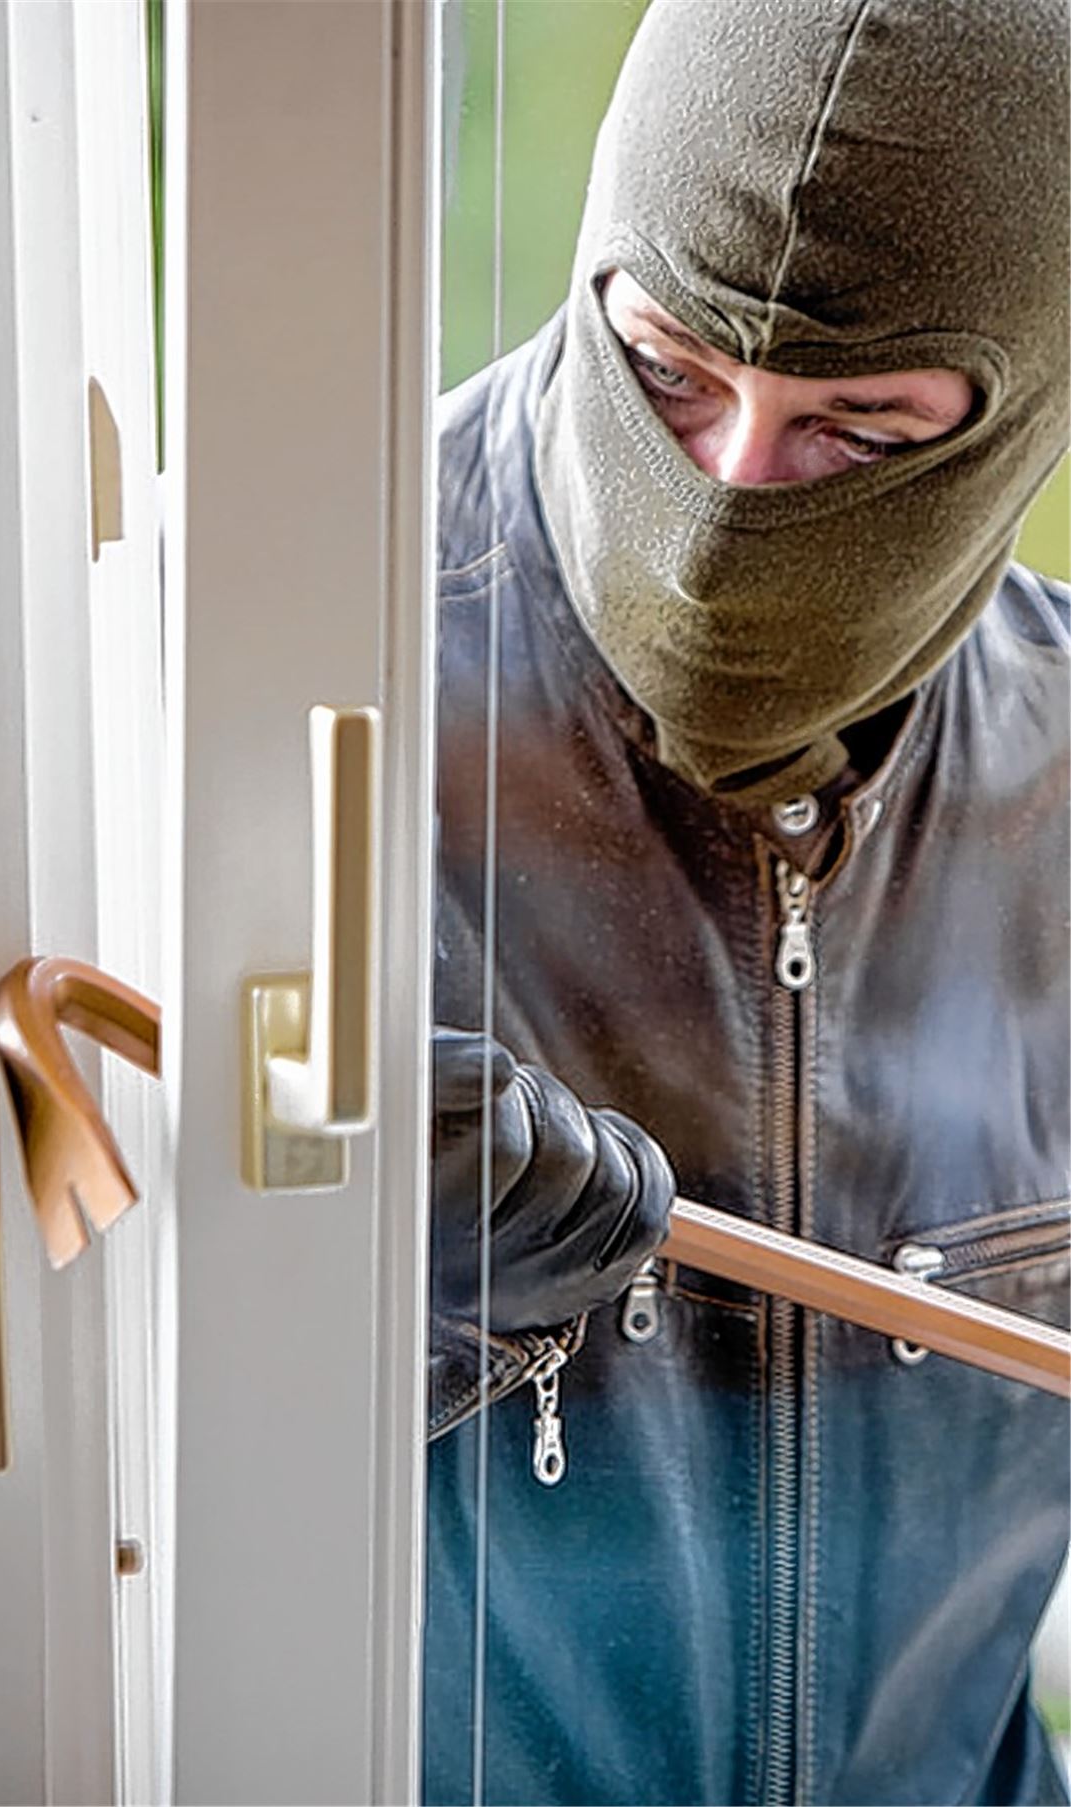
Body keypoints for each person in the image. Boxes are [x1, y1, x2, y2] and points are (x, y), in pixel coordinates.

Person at [422, 0, 1071, 1801]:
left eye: (856, 433)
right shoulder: (275, 685)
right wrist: (327, 1290)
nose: (724, 513)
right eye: (669, 372)